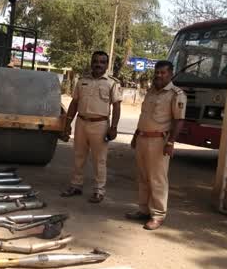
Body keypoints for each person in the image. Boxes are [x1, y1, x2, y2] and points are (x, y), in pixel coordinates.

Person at [126, 60, 187, 230]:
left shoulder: (176, 94)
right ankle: (143, 210)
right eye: (157, 72)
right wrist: (135, 136)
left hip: (159, 142)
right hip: (142, 139)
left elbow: (179, 120)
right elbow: (143, 116)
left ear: (170, 73)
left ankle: (158, 215)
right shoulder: (151, 91)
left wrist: (171, 142)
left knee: (157, 179)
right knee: (143, 177)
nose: (159, 75)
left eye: (163, 73)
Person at [60, 51, 122, 203]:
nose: (98, 64)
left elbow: (117, 106)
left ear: (106, 65)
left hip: (100, 125)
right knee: (78, 157)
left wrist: (113, 127)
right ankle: (76, 185)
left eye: (102, 62)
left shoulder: (112, 83)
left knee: (99, 160)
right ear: (91, 62)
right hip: (81, 122)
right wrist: (67, 124)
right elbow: (74, 103)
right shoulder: (82, 81)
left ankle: (99, 190)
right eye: (95, 61)